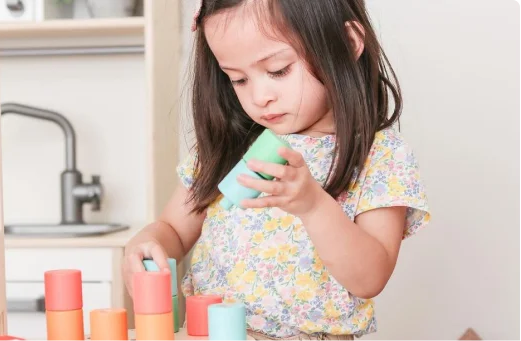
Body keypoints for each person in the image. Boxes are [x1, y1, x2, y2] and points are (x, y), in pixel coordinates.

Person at [123, 0, 431, 340]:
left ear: (346, 44)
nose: (259, 96)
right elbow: (174, 230)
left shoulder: (379, 156)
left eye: (278, 70)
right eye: (237, 79)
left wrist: (313, 205)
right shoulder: (230, 148)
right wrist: (148, 242)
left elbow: (370, 278)